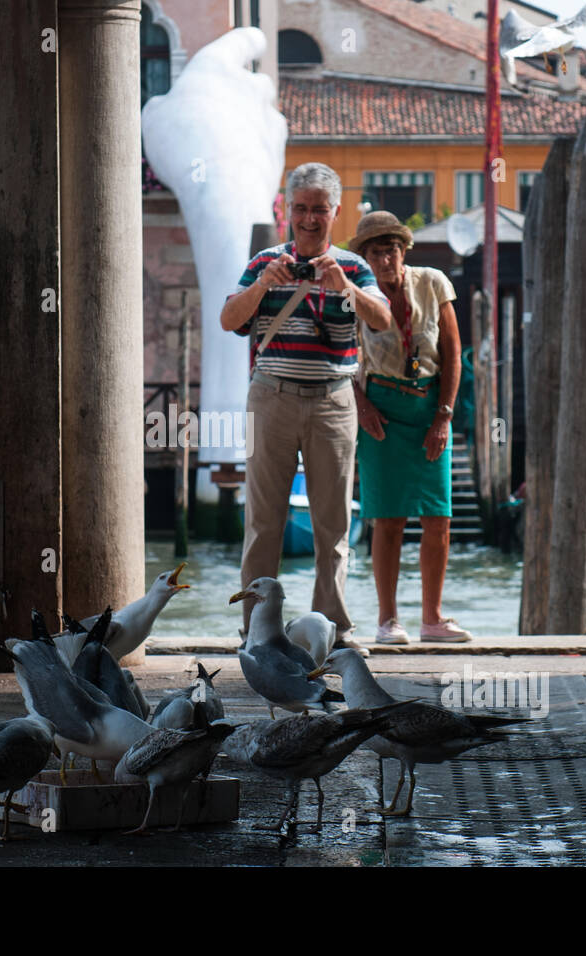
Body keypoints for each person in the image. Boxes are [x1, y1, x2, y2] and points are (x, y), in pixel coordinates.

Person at [220, 163, 392, 647]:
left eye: (319, 209)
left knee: (333, 524)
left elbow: (382, 319)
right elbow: (228, 319)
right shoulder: (264, 262)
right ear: (287, 210)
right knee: (262, 522)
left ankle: (332, 628)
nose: (310, 219)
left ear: (336, 212)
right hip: (270, 396)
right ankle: (256, 631)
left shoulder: (353, 267)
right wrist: (262, 286)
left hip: (333, 401)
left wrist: (347, 290)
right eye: (301, 208)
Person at [350, 211, 470, 644]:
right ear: (365, 258)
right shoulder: (357, 294)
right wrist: (361, 404)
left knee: (438, 516)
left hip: (428, 407)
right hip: (380, 407)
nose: (387, 259)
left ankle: (432, 619)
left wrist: (444, 415)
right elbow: (343, 357)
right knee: (388, 517)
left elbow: (453, 353)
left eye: (394, 249)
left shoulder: (433, 282)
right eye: (377, 252)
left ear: (405, 251)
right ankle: (387, 621)